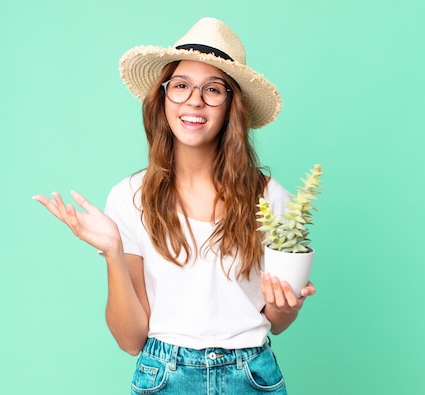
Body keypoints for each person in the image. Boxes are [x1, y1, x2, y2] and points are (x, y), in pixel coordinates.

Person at [33, 17, 315, 395]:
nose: (194, 100)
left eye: (213, 89)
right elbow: (131, 340)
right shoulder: (129, 197)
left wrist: (287, 304)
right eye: (180, 86)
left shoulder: (267, 196)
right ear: (163, 97)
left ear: (232, 105)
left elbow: (276, 321)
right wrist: (113, 251)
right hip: (164, 377)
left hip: (252, 376)